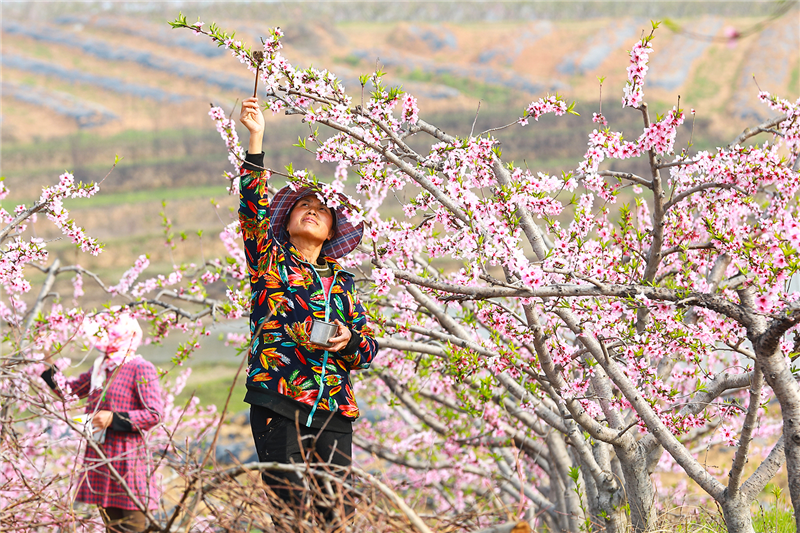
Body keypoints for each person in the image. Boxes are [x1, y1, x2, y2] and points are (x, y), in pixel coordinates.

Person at [237, 96, 378, 527]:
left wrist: (348, 340)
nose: (313, 210)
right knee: (293, 517)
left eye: (322, 210)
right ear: (288, 220)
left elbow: (368, 349)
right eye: (304, 205)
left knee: (335, 516)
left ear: (333, 229)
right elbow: (251, 212)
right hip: (278, 398)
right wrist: (256, 140)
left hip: (334, 408)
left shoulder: (344, 284)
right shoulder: (268, 260)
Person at [41, 311, 163, 533]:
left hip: (128, 461)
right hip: (100, 459)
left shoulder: (139, 367)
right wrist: (48, 361)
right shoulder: (100, 367)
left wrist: (113, 418)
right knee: (112, 528)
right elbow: (69, 392)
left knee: (136, 526)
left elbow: (154, 414)